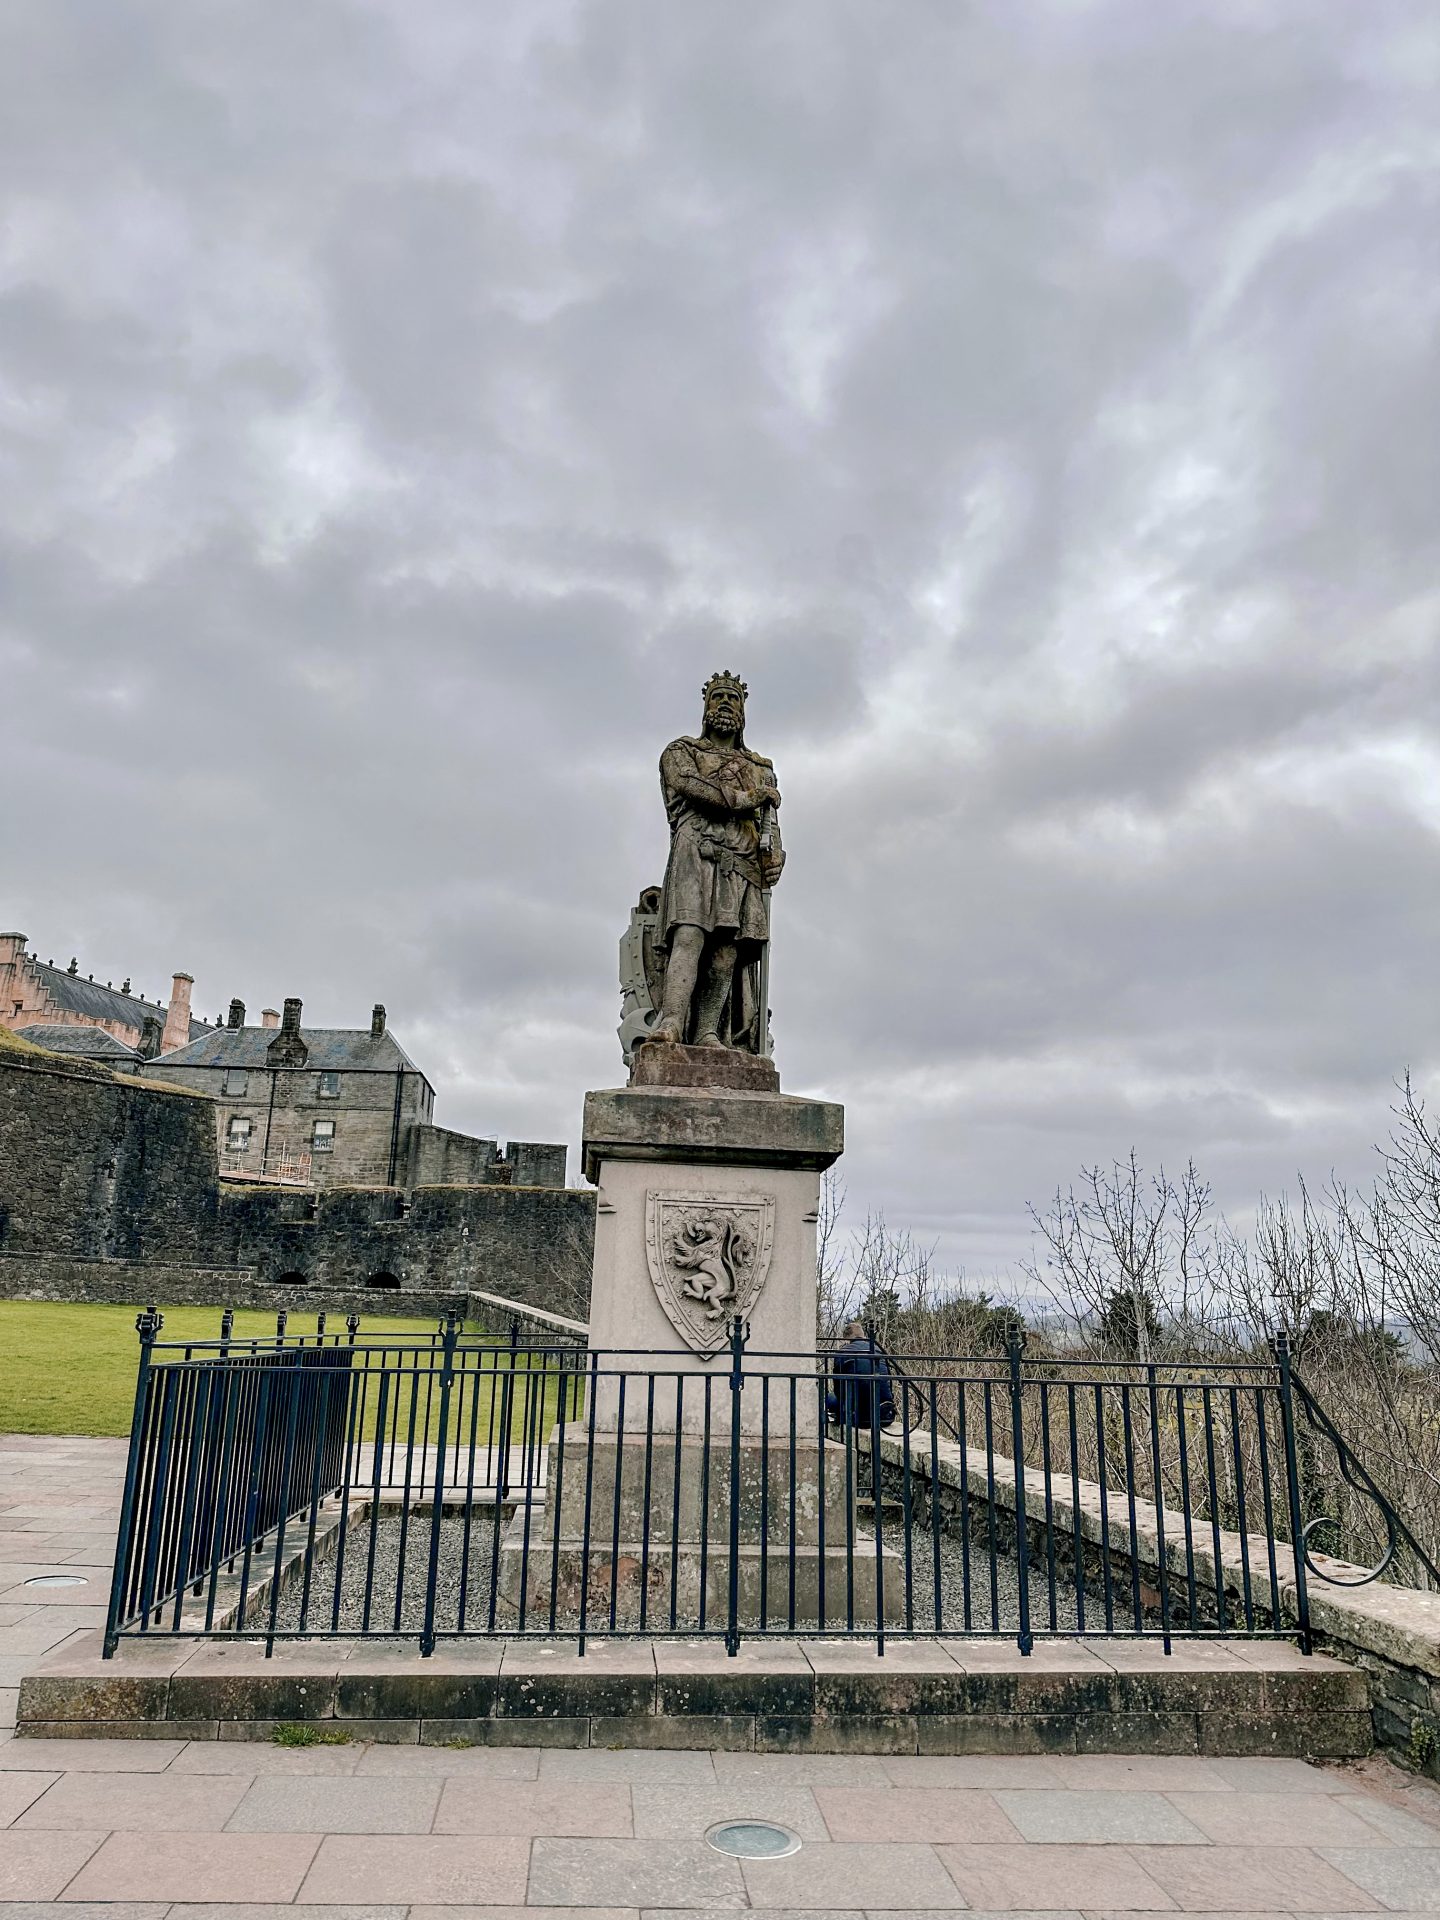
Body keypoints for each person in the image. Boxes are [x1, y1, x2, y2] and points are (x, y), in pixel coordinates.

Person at [828, 1320, 896, 1431]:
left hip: (858, 1416)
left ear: (846, 1339)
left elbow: (838, 1390)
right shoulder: (878, 1350)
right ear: (863, 1335)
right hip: (883, 1414)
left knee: (828, 1398)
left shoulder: (843, 1352)